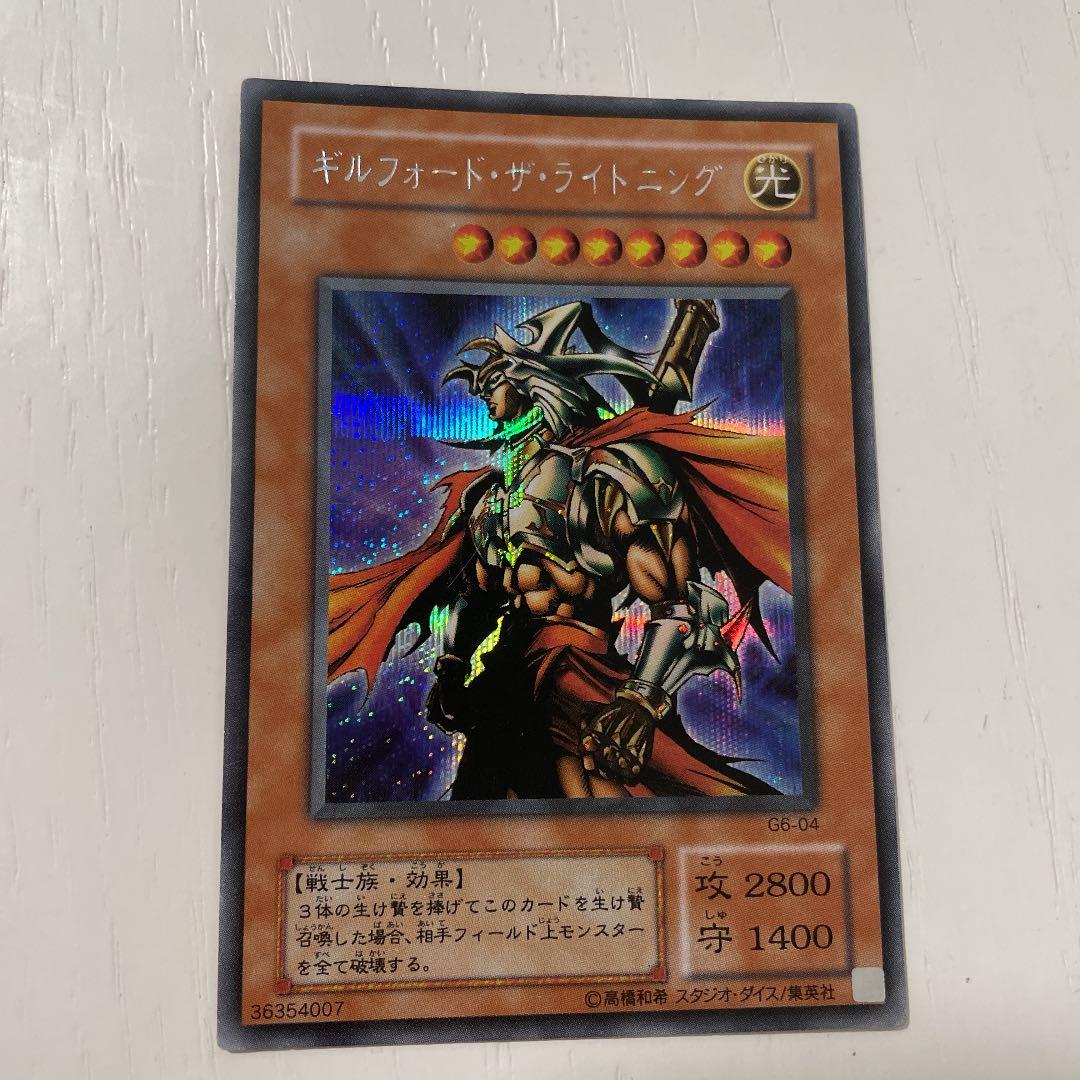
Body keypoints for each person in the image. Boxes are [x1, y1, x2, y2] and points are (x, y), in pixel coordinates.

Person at [327, 299, 791, 799]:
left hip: (576, 670)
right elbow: (476, 595)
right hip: (504, 676)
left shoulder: (599, 477)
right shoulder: (491, 497)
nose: (483, 389)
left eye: (496, 378)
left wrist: (640, 701)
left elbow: (678, 605)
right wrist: (454, 665)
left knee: (597, 797)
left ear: (531, 383)